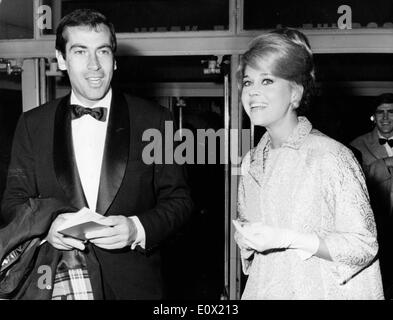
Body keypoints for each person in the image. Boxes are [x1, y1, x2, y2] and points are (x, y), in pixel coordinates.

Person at [0, 9, 193, 300]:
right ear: (62, 59)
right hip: (59, 281)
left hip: (135, 288)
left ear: (114, 60)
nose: (94, 66)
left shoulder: (155, 120)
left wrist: (136, 228)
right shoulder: (32, 124)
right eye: (80, 52)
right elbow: (13, 202)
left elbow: (180, 200)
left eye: (102, 52)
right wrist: (46, 229)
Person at [233, 28, 384, 299]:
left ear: (295, 93)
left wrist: (291, 239)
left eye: (267, 81)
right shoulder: (251, 162)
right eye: (248, 82)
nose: (253, 92)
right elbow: (252, 235)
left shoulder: (330, 156)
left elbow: (363, 245)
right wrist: (247, 238)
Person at [350, 93, 393, 299]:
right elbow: (353, 184)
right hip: (376, 228)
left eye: (391, 112)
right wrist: (384, 165)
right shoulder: (357, 145)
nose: (385, 117)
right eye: (380, 112)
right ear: (373, 117)